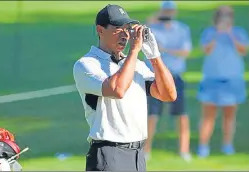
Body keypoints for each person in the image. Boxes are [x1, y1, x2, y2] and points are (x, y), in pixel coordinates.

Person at [73, 4, 177, 171]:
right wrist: (134, 50)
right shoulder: (86, 64)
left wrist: (154, 56)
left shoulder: (136, 64)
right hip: (108, 154)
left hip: (137, 154)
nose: (125, 35)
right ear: (100, 30)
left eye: (127, 29)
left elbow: (168, 95)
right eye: (117, 28)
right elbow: (117, 90)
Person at [143, 1, 192, 162]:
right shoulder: (153, 29)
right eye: (165, 11)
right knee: (152, 114)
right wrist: (155, 17)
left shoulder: (182, 29)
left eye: (170, 11)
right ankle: (146, 150)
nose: (168, 14)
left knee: (181, 114)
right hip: (154, 77)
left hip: (175, 76)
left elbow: (185, 51)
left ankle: (184, 150)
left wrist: (162, 51)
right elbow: (141, 30)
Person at [197, 5, 249, 157]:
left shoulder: (239, 32)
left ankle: (227, 144)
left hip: (232, 80)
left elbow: (243, 51)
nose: (225, 19)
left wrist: (231, 35)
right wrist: (218, 34)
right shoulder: (209, 33)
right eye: (222, 16)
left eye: (228, 16)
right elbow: (206, 50)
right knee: (208, 116)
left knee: (229, 115)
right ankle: (203, 146)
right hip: (211, 79)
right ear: (217, 18)